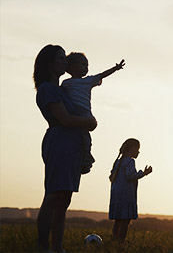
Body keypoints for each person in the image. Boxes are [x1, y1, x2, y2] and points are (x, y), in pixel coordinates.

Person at [34, 44, 97, 253]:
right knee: (53, 197)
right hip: (60, 143)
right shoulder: (47, 89)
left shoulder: (63, 89)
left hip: (71, 146)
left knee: (64, 200)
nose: (65, 62)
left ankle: (58, 248)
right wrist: (89, 121)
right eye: (60, 58)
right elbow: (65, 119)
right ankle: (44, 248)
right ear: (49, 63)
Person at [61, 52, 125, 174]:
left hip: (85, 113)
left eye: (87, 65)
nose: (86, 67)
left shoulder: (88, 80)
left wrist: (115, 69)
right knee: (76, 136)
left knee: (85, 137)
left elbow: (102, 75)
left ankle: (86, 159)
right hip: (73, 112)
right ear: (72, 67)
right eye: (83, 64)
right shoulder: (66, 83)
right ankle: (81, 157)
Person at [108, 138, 153, 242]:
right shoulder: (130, 161)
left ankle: (114, 239)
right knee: (125, 220)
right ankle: (120, 241)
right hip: (126, 193)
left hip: (116, 192)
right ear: (132, 149)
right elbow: (130, 176)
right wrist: (144, 173)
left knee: (118, 219)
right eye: (137, 149)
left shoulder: (118, 162)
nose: (138, 152)